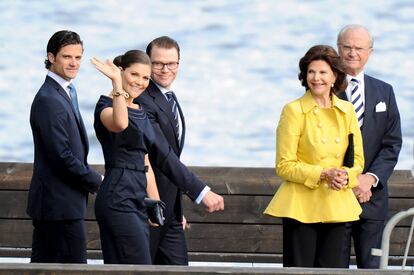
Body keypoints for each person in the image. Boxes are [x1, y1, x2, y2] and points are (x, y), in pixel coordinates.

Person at [91, 50, 224, 264]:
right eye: (134, 75)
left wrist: (157, 205)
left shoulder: (139, 108)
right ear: (121, 71)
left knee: (143, 266)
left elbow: (146, 162)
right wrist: (116, 83)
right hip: (118, 197)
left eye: (145, 77)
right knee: (134, 267)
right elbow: (120, 123)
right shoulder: (105, 106)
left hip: (139, 197)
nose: (140, 82)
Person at [264, 45, 365, 268]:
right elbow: (284, 165)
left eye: (322, 72)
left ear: (334, 76)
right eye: (311, 72)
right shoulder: (293, 110)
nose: (316, 78)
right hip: (301, 208)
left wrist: (345, 177)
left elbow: (357, 161)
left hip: (337, 204)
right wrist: (323, 173)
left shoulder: (347, 110)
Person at [27, 30, 102, 263]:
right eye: (67, 57)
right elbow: (61, 156)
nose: (73, 63)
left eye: (78, 58)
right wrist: (97, 181)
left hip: (65, 206)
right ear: (51, 57)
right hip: (56, 208)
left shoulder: (66, 91)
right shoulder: (49, 99)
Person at [135, 36, 209, 265]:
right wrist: (200, 191)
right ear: (148, 64)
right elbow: (161, 154)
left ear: (179, 63)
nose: (166, 69)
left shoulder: (168, 96)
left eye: (172, 63)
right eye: (158, 64)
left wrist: (177, 209)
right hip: (147, 207)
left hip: (170, 212)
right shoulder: (143, 100)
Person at [337, 24, 402, 268]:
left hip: (372, 198)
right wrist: (352, 181)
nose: (353, 53)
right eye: (347, 47)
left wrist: (369, 179)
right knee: (334, 268)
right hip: (336, 196)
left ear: (370, 52)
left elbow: (392, 143)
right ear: (338, 49)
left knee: (372, 269)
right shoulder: (326, 89)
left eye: (359, 48)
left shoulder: (385, 91)